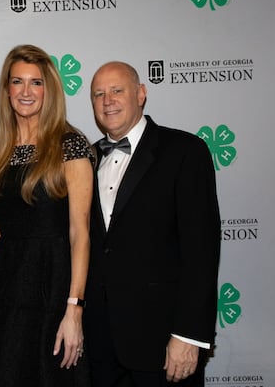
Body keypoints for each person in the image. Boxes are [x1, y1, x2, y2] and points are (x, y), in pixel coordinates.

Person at [84, 61, 221, 387]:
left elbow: (201, 251)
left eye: (117, 90)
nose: (107, 100)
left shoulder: (184, 151)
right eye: (98, 94)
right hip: (102, 346)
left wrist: (189, 335)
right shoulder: (86, 160)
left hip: (163, 344)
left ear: (141, 94)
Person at [0, 44, 95, 387]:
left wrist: (74, 309)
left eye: (36, 83)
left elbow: (80, 233)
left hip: (54, 284)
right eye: (17, 82)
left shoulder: (70, 144)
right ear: (6, 90)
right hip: (6, 285)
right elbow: (6, 229)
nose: (26, 92)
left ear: (50, 90)